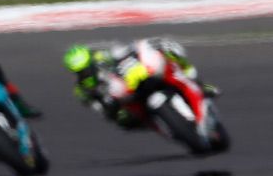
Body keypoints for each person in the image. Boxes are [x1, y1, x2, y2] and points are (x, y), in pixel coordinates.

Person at [64, 38, 209, 129]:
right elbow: (101, 110)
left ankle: (195, 81)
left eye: (86, 68)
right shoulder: (82, 90)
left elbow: (126, 51)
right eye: (80, 71)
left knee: (167, 49)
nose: (85, 73)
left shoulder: (102, 56)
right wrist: (112, 110)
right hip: (124, 99)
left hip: (133, 79)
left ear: (90, 58)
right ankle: (166, 128)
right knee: (125, 120)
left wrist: (133, 53)